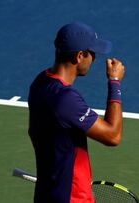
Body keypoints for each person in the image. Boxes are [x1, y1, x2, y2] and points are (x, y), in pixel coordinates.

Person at [28, 22, 125, 203]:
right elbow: (113, 136)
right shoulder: (66, 99)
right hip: (71, 197)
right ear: (79, 56)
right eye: (92, 53)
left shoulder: (39, 83)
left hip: (47, 193)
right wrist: (114, 82)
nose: (94, 58)